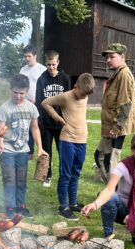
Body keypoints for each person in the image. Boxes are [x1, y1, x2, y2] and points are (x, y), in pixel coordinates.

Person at [82, 131, 135, 245]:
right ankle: (108, 236)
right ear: (133, 150)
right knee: (111, 198)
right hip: (121, 210)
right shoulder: (123, 166)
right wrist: (95, 204)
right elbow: (109, 189)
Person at [42, 73, 95, 221]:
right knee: (66, 175)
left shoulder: (85, 95)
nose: (84, 97)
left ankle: (72, 203)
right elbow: (45, 103)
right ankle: (63, 207)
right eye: (82, 94)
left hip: (82, 140)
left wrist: (84, 94)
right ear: (75, 86)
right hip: (68, 140)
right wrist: (57, 117)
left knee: (75, 174)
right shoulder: (65, 97)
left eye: (86, 95)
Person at [0, 74, 48, 219]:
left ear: (27, 91)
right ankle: (10, 207)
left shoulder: (31, 108)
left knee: (21, 179)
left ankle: (21, 205)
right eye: (15, 92)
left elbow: (35, 128)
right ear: (11, 90)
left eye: (22, 93)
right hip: (7, 149)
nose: (18, 96)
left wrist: (40, 147)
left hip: (23, 150)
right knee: (10, 179)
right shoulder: (4, 108)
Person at [94, 43, 135, 182]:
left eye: (112, 57)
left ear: (122, 57)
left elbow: (125, 104)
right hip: (110, 125)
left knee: (111, 159)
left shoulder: (124, 75)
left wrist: (117, 127)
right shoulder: (117, 74)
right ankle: (109, 182)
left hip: (116, 126)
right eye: (107, 57)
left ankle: (113, 186)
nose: (108, 60)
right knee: (99, 155)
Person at [35, 49, 71, 188]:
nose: (51, 67)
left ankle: (64, 176)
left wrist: (67, 119)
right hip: (46, 123)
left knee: (62, 151)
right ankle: (47, 176)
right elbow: (39, 102)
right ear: (45, 63)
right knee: (47, 150)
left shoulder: (65, 79)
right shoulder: (41, 80)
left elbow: (69, 101)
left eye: (53, 64)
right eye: (49, 64)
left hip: (61, 123)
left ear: (58, 62)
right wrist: (39, 121)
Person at [19, 45, 46, 158]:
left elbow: (45, 87)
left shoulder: (42, 69)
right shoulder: (23, 70)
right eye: (25, 56)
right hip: (25, 103)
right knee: (26, 126)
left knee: (39, 126)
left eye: (29, 56)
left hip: (39, 103)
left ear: (35, 56)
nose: (27, 58)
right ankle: (29, 151)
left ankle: (43, 149)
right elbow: (20, 85)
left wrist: (37, 99)